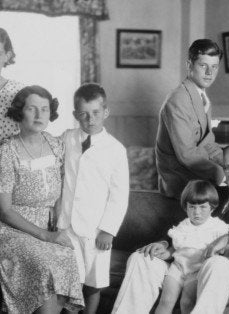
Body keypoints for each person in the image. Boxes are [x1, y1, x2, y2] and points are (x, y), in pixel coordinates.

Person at [112, 144, 229, 314]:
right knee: (141, 258)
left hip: (213, 271)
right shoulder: (210, 193)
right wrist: (164, 243)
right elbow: (181, 224)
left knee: (219, 264)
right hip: (181, 264)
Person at [0, 86, 84, 313]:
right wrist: (46, 236)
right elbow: (4, 211)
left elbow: (63, 190)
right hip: (8, 229)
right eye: (32, 109)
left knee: (67, 258)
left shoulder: (56, 145)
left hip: (46, 225)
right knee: (43, 263)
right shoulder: (5, 153)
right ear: (20, 112)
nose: (39, 115)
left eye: (44, 109)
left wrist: (57, 226)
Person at [58, 83, 129, 314]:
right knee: (69, 281)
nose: (90, 119)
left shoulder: (115, 149)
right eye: (84, 114)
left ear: (106, 112)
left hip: (97, 229)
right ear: (75, 115)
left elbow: (119, 194)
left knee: (93, 283)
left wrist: (108, 229)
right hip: (66, 224)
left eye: (96, 112)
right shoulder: (66, 139)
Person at [155, 39, 225, 199]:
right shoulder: (178, 99)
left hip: (196, 179)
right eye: (203, 66)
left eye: (214, 67)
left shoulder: (202, 98)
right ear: (189, 65)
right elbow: (187, 154)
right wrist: (223, 174)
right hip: (181, 185)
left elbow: (208, 143)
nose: (210, 73)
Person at [154, 180, 229, 314]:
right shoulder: (183, 225)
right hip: (177, 268)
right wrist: (166, 254)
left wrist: (227, 255)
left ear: (212, 207)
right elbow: (177, 247)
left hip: (197, 271)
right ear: (185, 207)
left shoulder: (217, 227)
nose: (197, 212)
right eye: (192, 207)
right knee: (165, 301)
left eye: (202, 207)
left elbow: (227, 248)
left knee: (187, 302)